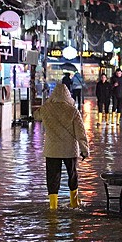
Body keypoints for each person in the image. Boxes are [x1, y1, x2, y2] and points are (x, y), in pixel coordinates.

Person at [34, 82, 89, 210]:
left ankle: (53, 206)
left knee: (52, 177)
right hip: (70, 149)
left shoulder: (46, 108)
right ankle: (74, 203)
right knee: (72, 174)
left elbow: (36, 116)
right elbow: (81, 132)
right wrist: (85, 150)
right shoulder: (73, 111)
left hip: (52, 150)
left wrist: (46, 104)